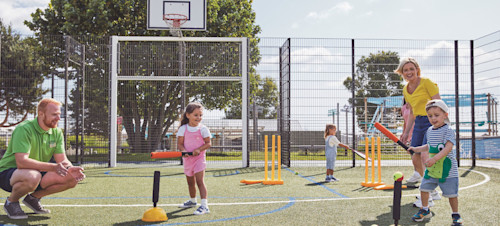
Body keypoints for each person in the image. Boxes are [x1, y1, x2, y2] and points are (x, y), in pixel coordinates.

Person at [0, 98, 85, 220]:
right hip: (8, 173)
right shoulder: (24, 129)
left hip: (36, 172)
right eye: (54, 114)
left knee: (71, 178)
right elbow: (22, 162)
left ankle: (33, 199)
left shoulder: (56, 132)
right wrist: (54, 167)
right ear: (41, 114)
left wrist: (70, 168)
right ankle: (11, 202)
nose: (58, 118)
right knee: (33, 176)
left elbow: (62, 159)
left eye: (59, 114)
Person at [394, 57, 441, 202]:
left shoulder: (427, 82)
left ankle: (428, 194)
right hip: (419, 123)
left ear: (417, 70)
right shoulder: (405, 90)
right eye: (405, 70)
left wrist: (438, 124)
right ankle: (430, 189)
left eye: (411, 69)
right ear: (402, 73)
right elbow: (413, 112)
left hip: (431, 121)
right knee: (415, 156)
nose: (409, 72)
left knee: (426, 156)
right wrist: (406, 132)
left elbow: (439, 103)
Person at [408, 100, 462, 225]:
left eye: (436, 115)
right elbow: (429, 146)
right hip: (432, 170)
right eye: (430, 116)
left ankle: (455, 214)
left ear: (445, 115)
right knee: (424, 188)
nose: (433, 118)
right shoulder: (429, 130)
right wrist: (416, 149)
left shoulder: (448, 130)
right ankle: (425, 209)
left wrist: (434, 159)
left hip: (448, 171)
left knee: (452, 194)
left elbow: (448, 147)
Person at [176, 102, 212, 215]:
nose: (199, 118)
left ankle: (204, 206)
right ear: (188, 115)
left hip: (199, 159)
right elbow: (180, 144)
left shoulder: (203, 129)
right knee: (190, 182)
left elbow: (208, 143)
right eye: (196, 115)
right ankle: (192, 201)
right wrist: (183, 151)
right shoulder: (183, 129)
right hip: (188, 160)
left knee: (199, 181)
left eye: (200, 115)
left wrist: (199, 150)